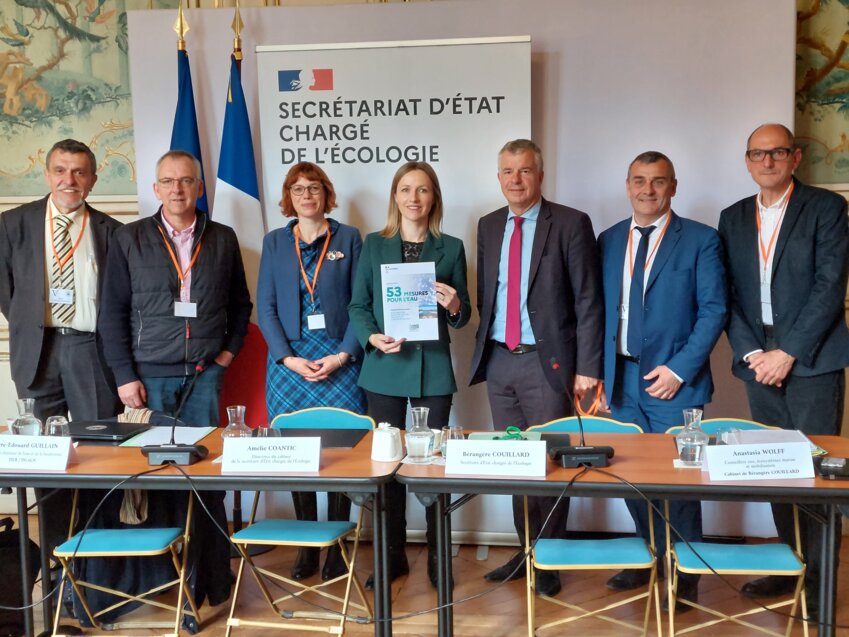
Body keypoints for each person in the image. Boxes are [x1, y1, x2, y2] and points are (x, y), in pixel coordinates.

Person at [96, 149, 253, 623]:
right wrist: (124, 377)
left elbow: (240, 306)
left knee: (205, 481)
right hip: (147, 379)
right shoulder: (129, 239)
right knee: (155, 479)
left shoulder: (222, 238)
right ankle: (164, 579)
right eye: (169, 181)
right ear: (156, 188)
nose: (178, 189)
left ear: (199, 188)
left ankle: (209, 579)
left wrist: (226, 355)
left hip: (204, 377)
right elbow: (111, 314)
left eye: (187, 181)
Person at [718, 123, 849, 619]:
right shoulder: (732, 217)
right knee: (775, 469)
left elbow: (829, 286)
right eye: (758, 153)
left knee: (816, 474)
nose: (767, 161)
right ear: (748, 161)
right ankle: (787, 567)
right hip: (759, 359)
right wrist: (754, 353)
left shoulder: (826, 208)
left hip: (811, 359)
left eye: (777, 152)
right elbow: (726, 294)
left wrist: (788, 352)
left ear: (794, 158)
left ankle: (820, 586)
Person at [468, 139, 604, 597]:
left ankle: (547, 558)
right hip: (500, 362)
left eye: (525, 171)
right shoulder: (488, 226)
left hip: (548, 365)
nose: (516, 180)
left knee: (547, 464)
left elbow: (588, 299)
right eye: (507, 171)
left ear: (540, 175)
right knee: (513, 463)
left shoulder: (569, 223)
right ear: (499, 177)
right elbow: (489, 294)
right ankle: (523, 552)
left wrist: (587, 367)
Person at [598, 151, 727, 610]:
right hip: (621, 378)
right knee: (632, 476)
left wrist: (678, 369)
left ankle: (684, 568)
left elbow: (714, 310)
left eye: (657, 181)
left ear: (673, 186)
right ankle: (647, 555)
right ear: (627, 184)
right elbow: (599, 312)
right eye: (639, 180)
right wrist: (597, 375)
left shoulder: (700, 239)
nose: (647, 190)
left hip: (675, 380)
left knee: (679, 480)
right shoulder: (609, 239)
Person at [348, 161, 471, 590]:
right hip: (384, 369)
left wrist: (454, 305)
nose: (413, 198)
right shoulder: (374, 244)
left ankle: (439, 558)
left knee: (433, 467)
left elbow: (463, 315)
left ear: (433, 197)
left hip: (432, 372)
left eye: (422, 190)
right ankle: (392, 556)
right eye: (405, 190)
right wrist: (372, 337)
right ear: (395, 197)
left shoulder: (452, 247)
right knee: (387, 468)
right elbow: (358, 306)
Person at [0, 138, 122, 553]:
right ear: (47, 173)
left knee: (99, 454)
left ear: (92, 179)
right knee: (44, 458)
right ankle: (57, 561)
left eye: (79, 172)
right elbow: (7, 291)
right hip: (38, 351)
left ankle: (98, 559)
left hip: (91, 351)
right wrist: (31, 326)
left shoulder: (112, 232)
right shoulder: (13, 224)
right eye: (60, 170)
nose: (69, 180)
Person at [257, 162, 366, 582]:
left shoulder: (350, 238)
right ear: (289, 196)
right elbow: (265, 307)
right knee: (295, 456)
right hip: (290, 362)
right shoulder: (274, 242)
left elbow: (362, 304)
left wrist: (341, 356)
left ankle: (335, 545)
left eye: (314, 187)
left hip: (339, 358)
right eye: (298, 189)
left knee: (339, 454)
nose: (306, 195)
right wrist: (286, 357)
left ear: (326, 193)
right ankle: (306, 545)